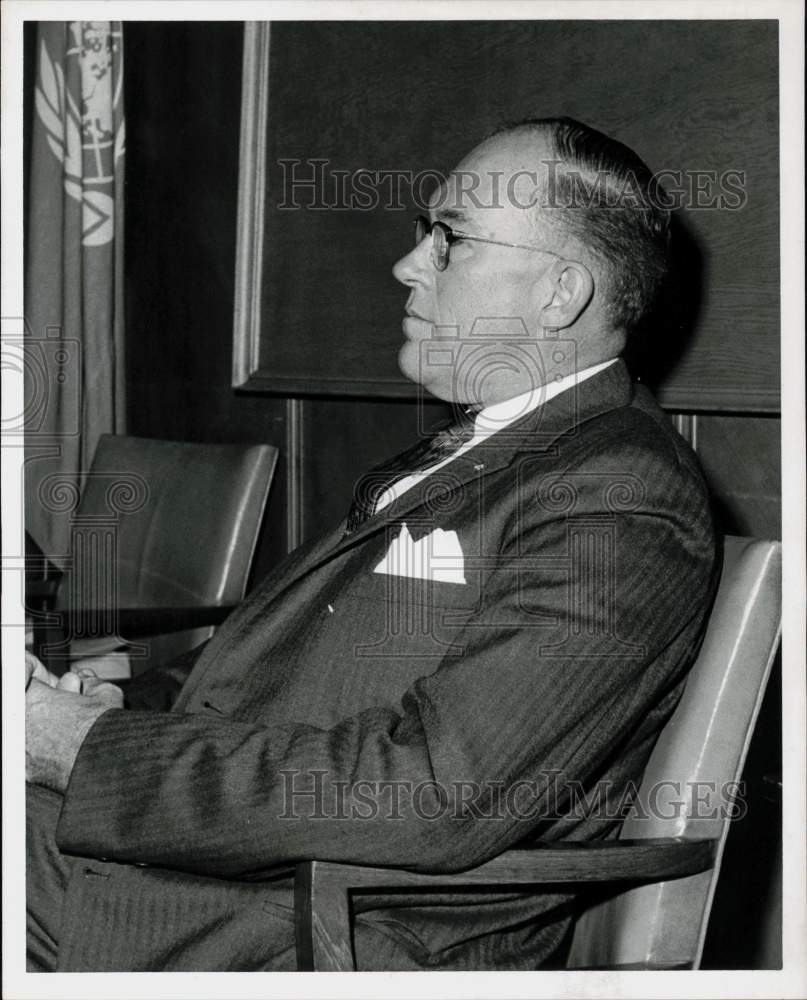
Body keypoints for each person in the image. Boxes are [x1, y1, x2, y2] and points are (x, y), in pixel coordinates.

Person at [25, 117, 718, 971]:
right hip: (228, 876)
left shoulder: (619, 494)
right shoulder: (482, 452)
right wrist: (109, 712)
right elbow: (282, 680)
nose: (407, 266)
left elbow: (433, 790)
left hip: (328, 929)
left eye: (449, 241)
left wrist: (73, 747)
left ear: (559, 294)